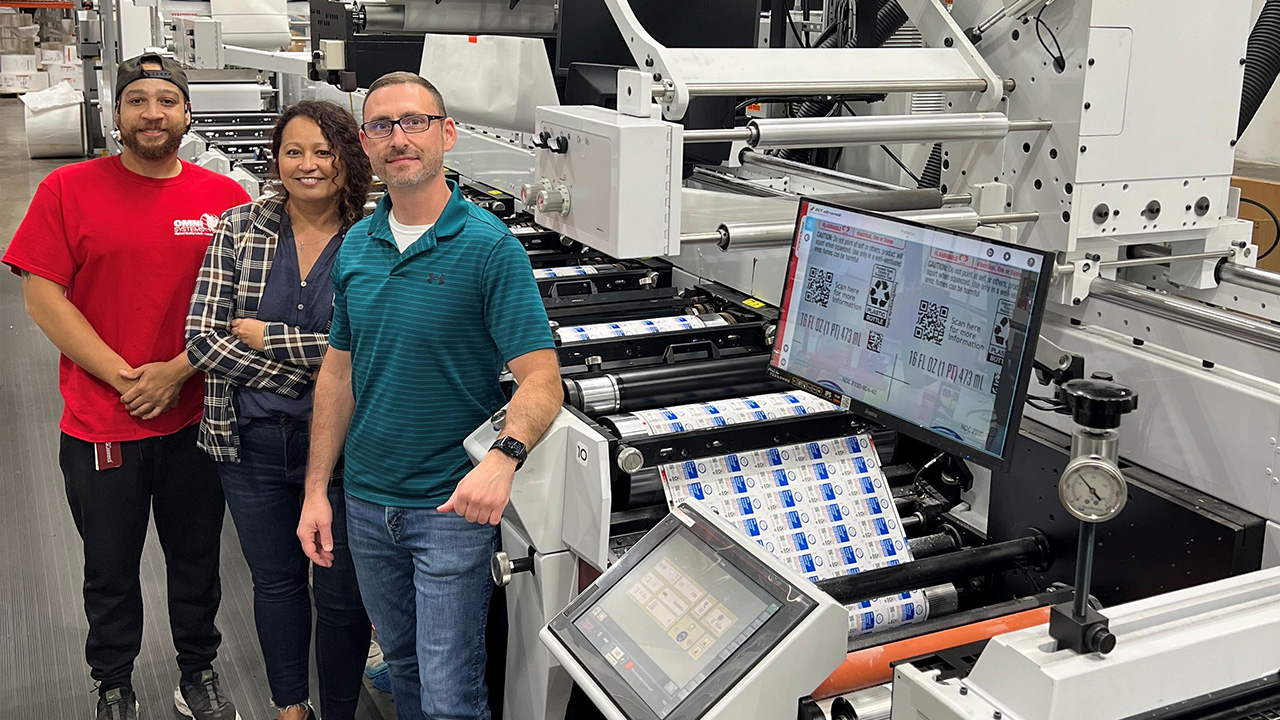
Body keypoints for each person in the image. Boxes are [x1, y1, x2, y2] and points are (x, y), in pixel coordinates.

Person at [295, 71, 563, 720]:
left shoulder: (489, 248)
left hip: (448, 509)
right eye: (382, 126)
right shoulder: (358, 243)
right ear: (365, 143)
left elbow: (542, 379)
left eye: (414, 121)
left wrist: (501, 460)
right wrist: (316, 491)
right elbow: (338, 372)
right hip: (366, 503)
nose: (399, 138)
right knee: (405, 670)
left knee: (449, 696)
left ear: (447, 133)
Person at [2, 53, 248, 720]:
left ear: (187, 113)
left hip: (197, 417)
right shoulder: (69, 190)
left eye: (166, 100)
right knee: (109, 567)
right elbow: (41, 297)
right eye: (137, 100)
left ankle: (197, 672)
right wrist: (124, 375)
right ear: (117, 113)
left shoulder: (223, 198)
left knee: (197, 562)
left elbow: (242, 302)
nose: (152, 113)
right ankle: (112, 682)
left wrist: (179, 371)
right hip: (101, 422)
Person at [186, 100, 373, 720]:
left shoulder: (374, 236)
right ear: (275, 160)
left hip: (349, 451)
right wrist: (311, 376)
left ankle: (340, 709)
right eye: (294, 151)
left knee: (344, 597)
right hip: (250, 442)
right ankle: (291, 707)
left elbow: (374, 345)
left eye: (324, 152)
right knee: (278, 584)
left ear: (348, 160)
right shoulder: (240, 226)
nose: (309, 165)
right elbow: (203, 338)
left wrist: (269, 338)